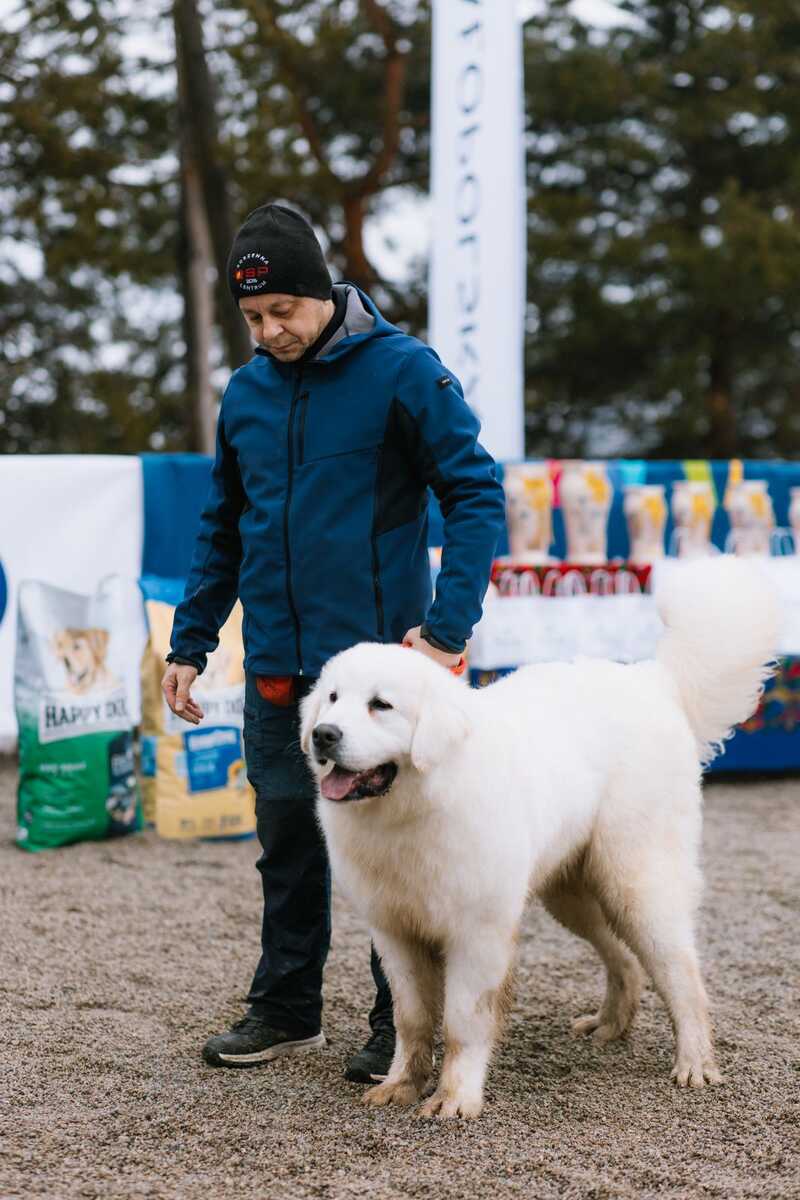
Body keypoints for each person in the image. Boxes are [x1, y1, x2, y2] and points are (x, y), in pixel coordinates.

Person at [161, 202, 507, 1082]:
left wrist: (447, 630)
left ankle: (404, 1022)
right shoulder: (246, 394)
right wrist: (190, 641)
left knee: (403, 850)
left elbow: (475, 493)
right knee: (286, 842)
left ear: (321, 293)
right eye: (251, 317)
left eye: (282, 310)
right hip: (279, 669)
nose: (268, 331)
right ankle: (286, 1010)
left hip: (384, 680)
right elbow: (224, 528)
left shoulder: (403, 371)